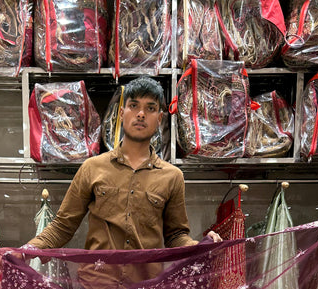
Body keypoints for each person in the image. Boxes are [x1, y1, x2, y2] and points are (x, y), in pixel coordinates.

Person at [27, 75, 220, 252]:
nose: (141, 114)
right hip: (98, 285)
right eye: (134, 106)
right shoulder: (92, 168)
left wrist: (200, 245)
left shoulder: (172, 177)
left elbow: (176, 236)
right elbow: (62, 226)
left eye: (151, 108)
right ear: (121, 113)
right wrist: (27, 249)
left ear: (160, 118)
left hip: (146, 286)